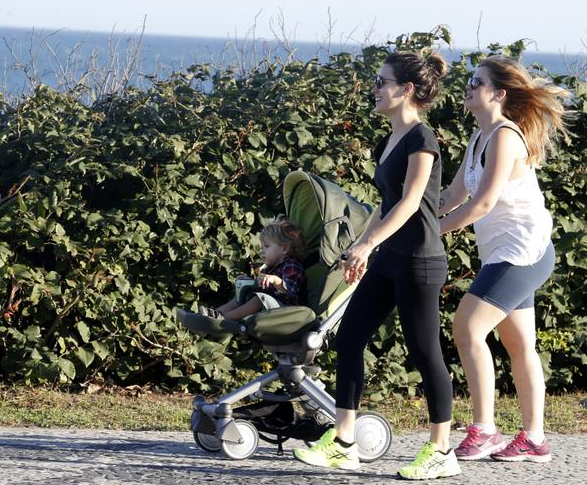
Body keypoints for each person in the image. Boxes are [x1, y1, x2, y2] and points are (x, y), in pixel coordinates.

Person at [293, 51, 461, 480]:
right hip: (389, 258)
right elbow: (385, 206)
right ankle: (344, 442)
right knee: (349, 338)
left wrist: (367, 246)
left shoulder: (422, 140)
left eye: (381, 81)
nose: (374, 88)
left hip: (420, 262)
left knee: (426, 354)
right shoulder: (388, 138)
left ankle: (442, 451)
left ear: (406, 90)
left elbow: (409, 205)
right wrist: (362, 248)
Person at [438, 55, 568, 463]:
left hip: (523, 253)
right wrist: (411, 214)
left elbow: (482, 204)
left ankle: (484, 429)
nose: (469, 87)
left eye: (477, 82)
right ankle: (534, 438)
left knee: (467, 327)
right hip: (504, 254)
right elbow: (453, 197)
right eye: (470, 81)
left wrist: (431, 232)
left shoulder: (505, 136)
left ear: (498, 93)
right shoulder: (479, 138)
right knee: (518, 343)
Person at [201, 216, 306, 321]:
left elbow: (290, 291)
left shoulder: (292, 266)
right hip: (270, 307)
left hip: (287, 313)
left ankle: (224, 318)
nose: (262, 251)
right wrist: (248, 282)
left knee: (258, 299)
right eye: (262, 247)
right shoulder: (270, 269)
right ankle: (212, 315)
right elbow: (260, 287)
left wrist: (275, 280)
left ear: (284, 248)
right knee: (241, 297)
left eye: (267, 246)